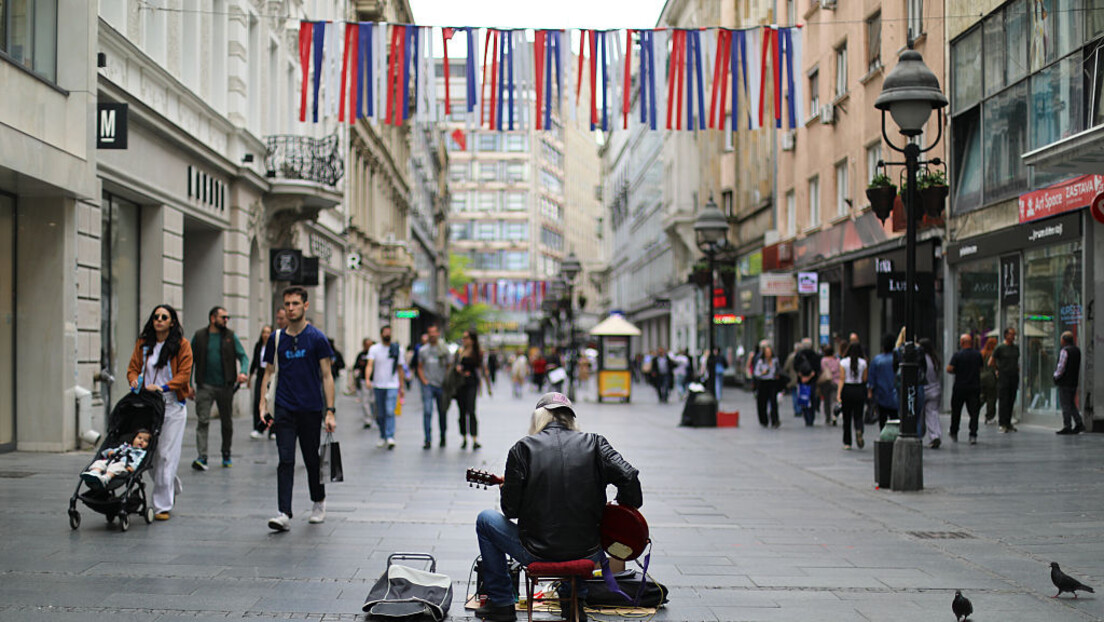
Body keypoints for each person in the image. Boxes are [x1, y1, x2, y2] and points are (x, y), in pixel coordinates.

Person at [473, 392, 642, 622]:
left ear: (538, 418)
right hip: (589, 552)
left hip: (537, 552)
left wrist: (509, 488)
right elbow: (629, 477)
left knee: (485, 520)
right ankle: (575, 601)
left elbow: (510, 511)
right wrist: (621, 512)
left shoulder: (522, 448)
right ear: (570, 418)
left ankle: (501, 602)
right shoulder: (596, 444)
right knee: (586, 530)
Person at [258, 286, 336, 531]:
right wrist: (262, 402)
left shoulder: (317, 338)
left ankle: (318, 501)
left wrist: (330, 410)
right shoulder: (276, 338)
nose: (290, 308)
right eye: (287, 304)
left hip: (311, 408)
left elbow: (327, 375)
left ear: (305, 306)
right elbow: (268, 371)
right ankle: (284, 512)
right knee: (285, 459)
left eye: (295, 304)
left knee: (313, 459)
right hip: (284, 407)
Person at [126, 304, 193, 521]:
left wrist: (164, 387)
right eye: (156, 317)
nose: (159, 320)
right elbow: (133, 368)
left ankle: (162, 505)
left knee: (166, 454)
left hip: (172, 404)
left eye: (164, 317)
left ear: (172, 322)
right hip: (147, 404)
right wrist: (134, 380)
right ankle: (170, 485)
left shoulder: (182, 346)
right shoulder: (144, 344)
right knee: (152, 455)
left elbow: (184, 375)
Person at [190, 306, 249, 470]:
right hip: (204, 385)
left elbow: (243, 356)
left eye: (227, 318)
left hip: (225, 386)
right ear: (212, 318)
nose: (226, 320)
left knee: (227, 422)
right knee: (202, 420)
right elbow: (189, 361)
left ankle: (226, 453)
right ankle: (202, 457)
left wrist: (243, 372)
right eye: (223, 317)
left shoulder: (230, 336)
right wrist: (187, 385)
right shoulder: (200, 336)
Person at [365, 325, 404, 449]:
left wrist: (401, 386)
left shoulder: (397, 349)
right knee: (380, 413)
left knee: (389, 410)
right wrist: (367, 378)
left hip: (392, 385)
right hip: (378, 385)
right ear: (381, 334)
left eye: (389, 333)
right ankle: (382, 435)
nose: (387, 335)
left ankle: (390, 436)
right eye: (385, 333)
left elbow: (400, 368)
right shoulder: (374, 349)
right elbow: (369, 364)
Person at [417, 324, 451, 449]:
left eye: (434, 332)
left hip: (441, 385)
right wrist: (424, 380)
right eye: (429, 332)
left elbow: (449, 365)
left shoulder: (444, 349)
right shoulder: (423, 350)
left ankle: (443, 436)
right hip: (428, 385)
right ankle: (427, 439)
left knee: (442, 412)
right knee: (427, 411)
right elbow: (419, 366)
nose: (432, 335)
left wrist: (446, 379)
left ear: (437, 333)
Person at [456, 330, 492, 450]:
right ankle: (464, 438)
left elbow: (483, 368)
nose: (464, 340)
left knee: (471, 410)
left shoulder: (477, 352)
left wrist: (488, 386)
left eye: (466, 337)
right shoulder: (460, 351)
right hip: (460, 383)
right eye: (463, 337)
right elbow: (454, 366)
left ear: (472, 340)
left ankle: (475, 438)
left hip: (472, 383)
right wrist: (459, 369)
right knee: (461, 411)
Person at [81, 429, 151, 489]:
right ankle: (95, 472)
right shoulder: (125, 446)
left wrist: (133, 467)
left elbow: (139, 462)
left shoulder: (141, 453)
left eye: (145, 440)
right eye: (139, 438)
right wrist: (109, 452)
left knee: (116, 467)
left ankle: (105, 478)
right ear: (133, 438)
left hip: (124, 465)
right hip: (113, 460)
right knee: (99, 462)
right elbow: (115, 451)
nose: (141, 441)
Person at [946, 333, 983, 445]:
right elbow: (981, 368)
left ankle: (954, 432)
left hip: (960, 387)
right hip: (974, 387)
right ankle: (973, 434)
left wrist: (957, 371)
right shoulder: (977, 355)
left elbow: (949, 369)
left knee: (956, 411)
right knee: (974, 412)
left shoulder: (958, 355)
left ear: (962, 343)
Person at [837, 343, 868, 450]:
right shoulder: (863, 363)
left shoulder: (843, 362)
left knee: (847, 417)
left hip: (847, 389)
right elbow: (864, 379)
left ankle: (847, 442)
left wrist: (839, 394)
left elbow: (841, 379)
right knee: (858, 414)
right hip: (858, 389)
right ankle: (859, 429)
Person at [1054, 331, 1085, 435]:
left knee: (1065, 404)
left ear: (1063, 340)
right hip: (1074, 381)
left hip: (1065, 381)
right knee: (1071, 403)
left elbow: (1061, 367)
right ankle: (1079, 423)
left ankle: (1067, 425)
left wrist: (1056, 376)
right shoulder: (1077, 350)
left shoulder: (1065, 351)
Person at [990, 326, 1020, 433]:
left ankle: (1008, 422)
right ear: (1006, 335)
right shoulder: (1000, 348)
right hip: (1004, 376)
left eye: (1014, 334)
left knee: (1011, 399)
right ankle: (1002, 423)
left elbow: (1017, 361)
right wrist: (997, 369)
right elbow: (991, 361)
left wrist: (1017, 368)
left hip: (1014, 376)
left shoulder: (1015, 348)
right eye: (1011, 334)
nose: (1013, 336)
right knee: (1003, 400)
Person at [867, 333, 899, 429]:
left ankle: (883, 437)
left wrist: (870, 393)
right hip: (895, 394)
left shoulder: (877, 360)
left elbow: (871, 379)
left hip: (881, 394)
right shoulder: (897, 359)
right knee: (895, 417)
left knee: (882, 419)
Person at [249, 325, 273, 440]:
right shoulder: (258, 346)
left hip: (271, 375)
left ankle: (272, 430)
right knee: (258, 401)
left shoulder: (274, 346)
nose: (266, 335)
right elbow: (254, 362)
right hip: (260, 375)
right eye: (264, 332)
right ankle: (257, 427)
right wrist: (250, 377)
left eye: (268, 332)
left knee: (270, 402)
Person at [918, 338, 943, 449]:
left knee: (920, 414)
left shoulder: (922, 359)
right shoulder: (935, 359)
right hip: (935, 389)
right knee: (932, 413)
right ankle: (935, 435)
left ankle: (919, 434)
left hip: (924, 389)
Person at [793, 339, 821, 426]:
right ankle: (811, 417)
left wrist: (802, 376)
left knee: (803, 398)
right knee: (812, 398)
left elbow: (795, 367)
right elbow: (817, 368)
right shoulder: (815, 355)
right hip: (812, 380)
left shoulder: (799, 355)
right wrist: (810, 376)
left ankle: (806, 417)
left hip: (802, 380)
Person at [753, 345, 780, 428]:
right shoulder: (761, 361)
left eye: (769, 352)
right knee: (762, 402)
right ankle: (764, 420)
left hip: (772, 382)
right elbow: (756, 373)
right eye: (766, 352)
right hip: (763, 382)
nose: (768, 354)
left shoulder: (775, 361)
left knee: (773, 401)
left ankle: (775, 420)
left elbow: (778, 370)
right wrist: (762, 373)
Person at [353, 338, 375, 429]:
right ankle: (368, 419)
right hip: (364, 380)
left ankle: (375, 417)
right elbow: (356, 366)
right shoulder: (361, 355)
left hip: (375, 380)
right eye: (366, 345)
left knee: (374, 401)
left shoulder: (375, 354)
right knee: (365, 400)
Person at [818, 344, 841, 426]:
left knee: (826, 401)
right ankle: (834, 416)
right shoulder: (837, 360)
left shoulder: (823, 360)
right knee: (835, 401)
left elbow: (823, 369)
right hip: (836, 382)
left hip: (827, 382)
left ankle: (828, 418)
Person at [979, 336, 998, 425]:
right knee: (991, 397)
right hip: (990, 378)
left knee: (983, 396)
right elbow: (995, 365)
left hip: (981, 377)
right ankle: (989, 416)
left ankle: (975, 409)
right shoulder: (993, 354)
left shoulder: (982, 353)